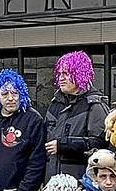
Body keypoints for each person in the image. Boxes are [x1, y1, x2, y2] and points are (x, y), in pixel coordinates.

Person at [45, 51, 109, 181]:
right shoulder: (55, 104)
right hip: (52, 182)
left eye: (66, 73)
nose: (61, 78)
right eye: (59, 74)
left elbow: (100, 144)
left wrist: (64, 145)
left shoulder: (95, 105)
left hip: (81, 183)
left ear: (80, 74)